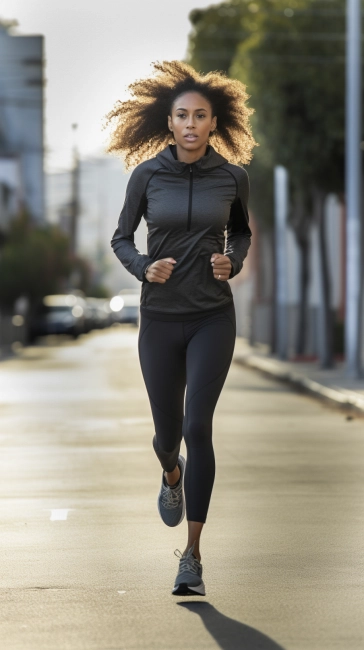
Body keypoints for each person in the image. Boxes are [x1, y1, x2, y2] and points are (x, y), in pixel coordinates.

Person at [106, 60, 256, 596]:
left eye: (200, 116)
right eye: (182, 116)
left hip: (213, 316)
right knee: (168, 437)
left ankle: (191, 556)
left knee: (198, 426)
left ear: (215, 123)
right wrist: (144, 266)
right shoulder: (147, 175)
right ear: (168, 123)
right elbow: (121, 238)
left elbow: (240, 234)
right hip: (161, 320)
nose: (191, 124)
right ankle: (172, 474)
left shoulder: (232, 177)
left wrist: (231, 263)